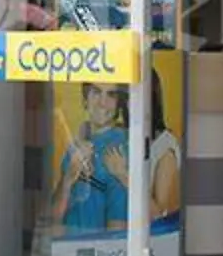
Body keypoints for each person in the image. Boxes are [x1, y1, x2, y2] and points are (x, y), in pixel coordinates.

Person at [102, 68, 182, 223]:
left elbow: (158, 214)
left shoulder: (165, 148)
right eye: (128, 96)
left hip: (140, 234)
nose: (131, 103)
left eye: (139, 95)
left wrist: (123, 175)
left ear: (152, 98)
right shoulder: (120, 133)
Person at [51, 83, 128, 234]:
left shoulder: (119, 150)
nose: (102, 102)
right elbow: (53, 219)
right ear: (85, 99)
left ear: (119, 104)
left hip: (92, 247)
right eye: (96, 92)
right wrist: (68, 178)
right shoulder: (76, 145)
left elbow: (116, 233)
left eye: (111, 95)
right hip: (64, 245)